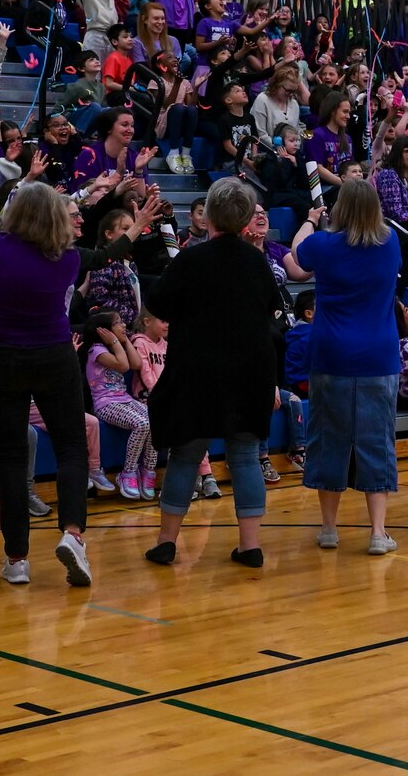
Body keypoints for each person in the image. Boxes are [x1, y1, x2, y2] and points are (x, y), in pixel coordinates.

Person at [143, 179, 282, 569]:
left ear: (208, 217)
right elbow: (271, 307)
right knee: (245, 456)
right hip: (250, 367)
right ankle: (250, 546)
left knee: (187, 453)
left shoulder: (190, 259)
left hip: (198, 368)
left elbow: (157, 304)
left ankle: (167, 542)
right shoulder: (256, 260)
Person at [0, 182, 92, 587]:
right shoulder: (69, 259)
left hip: (1, 354)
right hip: (54, 353)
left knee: (10, 457)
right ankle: (73, 533)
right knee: (71, 446)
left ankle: (17, 559)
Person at [292, 178, 405, 555]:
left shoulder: (324, 244)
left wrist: (310, 220)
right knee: (378, 441)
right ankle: (377, 532)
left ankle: (328, 529)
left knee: (329, 440)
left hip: (331, 354)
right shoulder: (390, 243)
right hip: (379, 355)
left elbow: (297, 258)